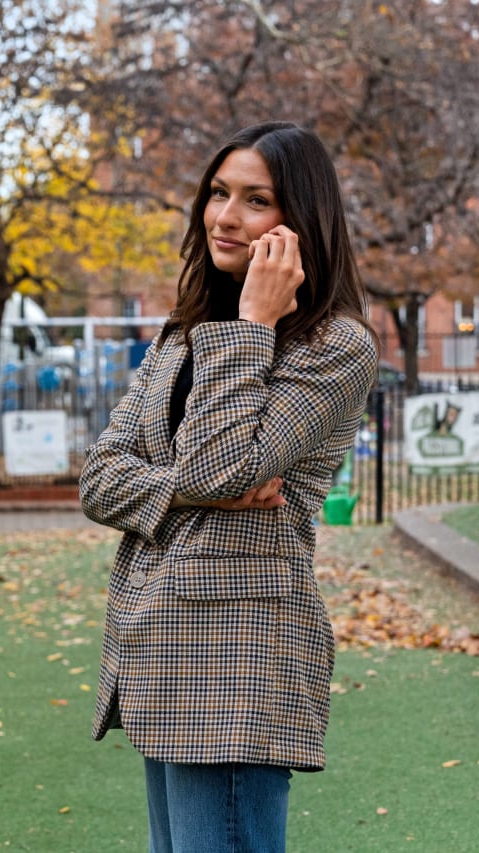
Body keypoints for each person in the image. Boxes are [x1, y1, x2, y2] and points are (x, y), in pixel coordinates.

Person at [78, 121, 379, 852]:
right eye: (218, 193)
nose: (225, 216)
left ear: (299, 223)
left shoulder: (335, 347)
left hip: (240, 655)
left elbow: (219, 468)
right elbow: (99, 477)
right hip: (157, 640)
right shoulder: (182, 334)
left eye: (255, 200)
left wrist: (253, 322)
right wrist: (188, 489)